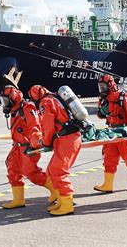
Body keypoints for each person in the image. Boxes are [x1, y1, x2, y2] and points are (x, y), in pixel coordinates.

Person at [0, 85, 57, 209]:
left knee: (32, 173)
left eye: (6, 101)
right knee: (13, 170)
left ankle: (56, 190)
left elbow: (34, 126)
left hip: (27, 147)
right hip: (17, 147)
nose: (5, 104)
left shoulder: (27, 107)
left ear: (13, 98)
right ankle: (18, 200)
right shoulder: (15, 109)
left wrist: (36, 142)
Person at [28, 85, 82, 216]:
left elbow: (48, 126)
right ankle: (62, 201)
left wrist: (44, 142)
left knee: (58, 172)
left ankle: (67, 205)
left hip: (66, 140)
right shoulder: (55, 98)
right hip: (70, 138)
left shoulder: (45, 103)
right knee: (52, 170)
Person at [93, 74, 127, 193]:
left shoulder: (123, 96)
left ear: (110, 85)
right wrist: (102, 111)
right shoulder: (103, 99)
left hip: (123, 132)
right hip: (111, 132)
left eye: (103, 86)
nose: (101, 89)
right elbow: (100, 115)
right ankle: (108, 184)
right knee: (109, 158)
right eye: (100, 86)